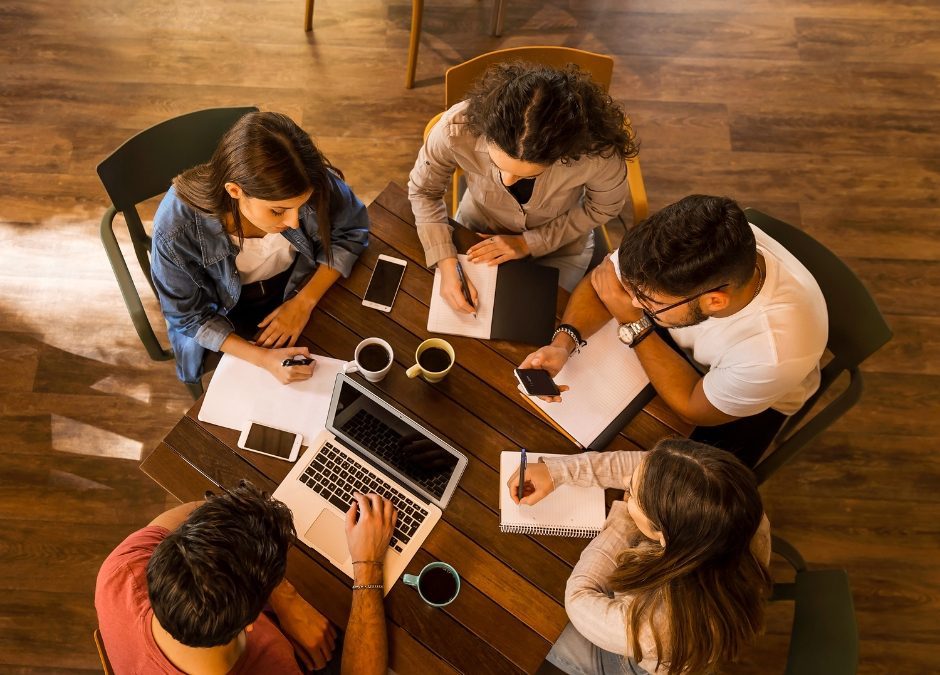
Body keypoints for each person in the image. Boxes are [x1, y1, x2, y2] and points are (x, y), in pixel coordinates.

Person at [520, 195, 828, 467]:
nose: (632, 299)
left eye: (647, 299)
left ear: (714, 301)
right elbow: (605, 284)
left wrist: (634, 323)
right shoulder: (676, 248)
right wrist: (563, 343)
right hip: (671, 335)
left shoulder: (773, 353)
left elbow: (693, 407)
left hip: (745, 403)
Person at [507, 439, 772, 675]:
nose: (625, 482)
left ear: (664, 536)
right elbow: (651, 469)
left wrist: (623, 518)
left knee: (526, 616)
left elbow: (578, 599)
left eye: (633, 493)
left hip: (639, 658)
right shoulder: (741, 512)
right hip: (668, 616)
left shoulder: (655, 626)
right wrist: (558, 471)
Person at [151, 111, 370, 386]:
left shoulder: (305, 177)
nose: (294, 222)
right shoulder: (175, 229)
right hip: (225, 315)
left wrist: (303, 302)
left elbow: (351, 230)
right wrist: (263, 359)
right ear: (235, 191)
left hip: (298, 282)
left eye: (302, 206)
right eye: (278, 211)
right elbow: (188, 317)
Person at [95, 481, 396, 674]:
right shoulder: (272, 666)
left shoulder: (123, 569)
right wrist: (367, 563)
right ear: (251, 622)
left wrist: (285, 595)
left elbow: (199, 514)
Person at [408, 61, 638, 306]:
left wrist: (528, 243)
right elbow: (423, 191)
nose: (507, 181)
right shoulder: (455, 129)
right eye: (497, 165)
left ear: (566, 153)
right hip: (478, 228)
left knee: (534, 316)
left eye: (528, 175)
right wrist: (445, 259)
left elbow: (602, 208)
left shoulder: (597, 154)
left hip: (561, 245)